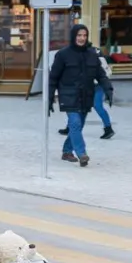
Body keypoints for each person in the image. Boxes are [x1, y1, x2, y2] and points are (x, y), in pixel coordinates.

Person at [49, 23, 114, 167]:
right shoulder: (63, 54)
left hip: (86, 95)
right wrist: (49, 97)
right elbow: (53, 77)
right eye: (79, 35)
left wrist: (108, 89)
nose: (82, 38)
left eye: (84, 35)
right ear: (73, 36)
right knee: (75, 123)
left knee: (78, 125)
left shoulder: (92, 54)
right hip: (68, 94)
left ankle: (67, 151)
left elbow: (101, 75)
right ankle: (82, 154)